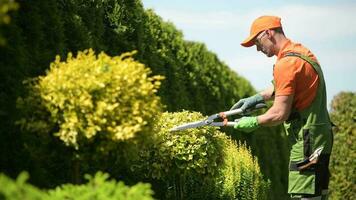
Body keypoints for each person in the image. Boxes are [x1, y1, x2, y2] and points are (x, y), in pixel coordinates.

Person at [231, 16, 333, 200]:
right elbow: (283, 87)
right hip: (320, 136)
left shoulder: (285, 64)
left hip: (307, 143)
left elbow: (279, 113)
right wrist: (257, 98)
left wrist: (254, 121)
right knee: (317, 195)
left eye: (257, 41)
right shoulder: (301, 53)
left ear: (268, 33)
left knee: (304, 196)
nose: (257, 48)